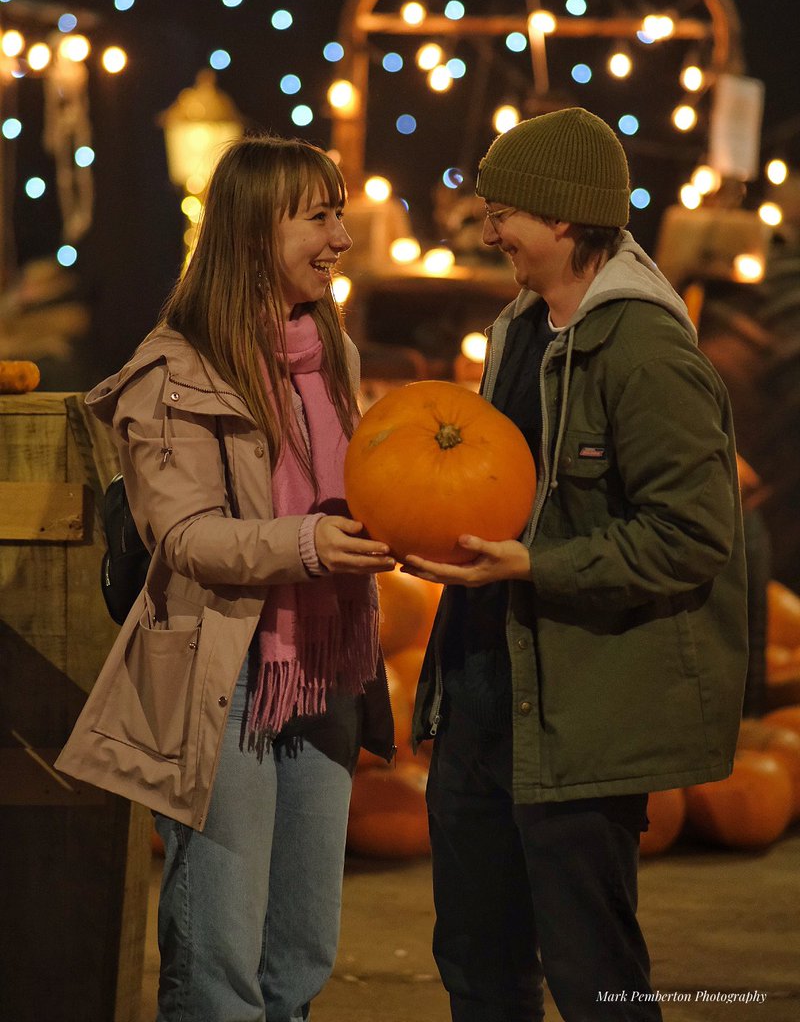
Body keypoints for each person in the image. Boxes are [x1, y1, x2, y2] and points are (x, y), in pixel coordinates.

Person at [407, 108, 748, 1022]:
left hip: (582, 714)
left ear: (563, 219)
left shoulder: (645, 351)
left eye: (502, 212)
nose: (487, 233)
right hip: (483, 694)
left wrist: (535, 564)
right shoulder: (520, 330)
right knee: (477, 966)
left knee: (594, 978)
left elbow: (691, 536)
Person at [56, 135, 396, 1022]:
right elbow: (189, 537)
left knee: (301, 947)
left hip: (322, 664)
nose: (341, 237)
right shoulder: (174, 369)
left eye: (339, 213)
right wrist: (316, 546)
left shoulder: (332, 351)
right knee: (220, 958)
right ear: (253, 231)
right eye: (318, 217)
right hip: (225, 672)